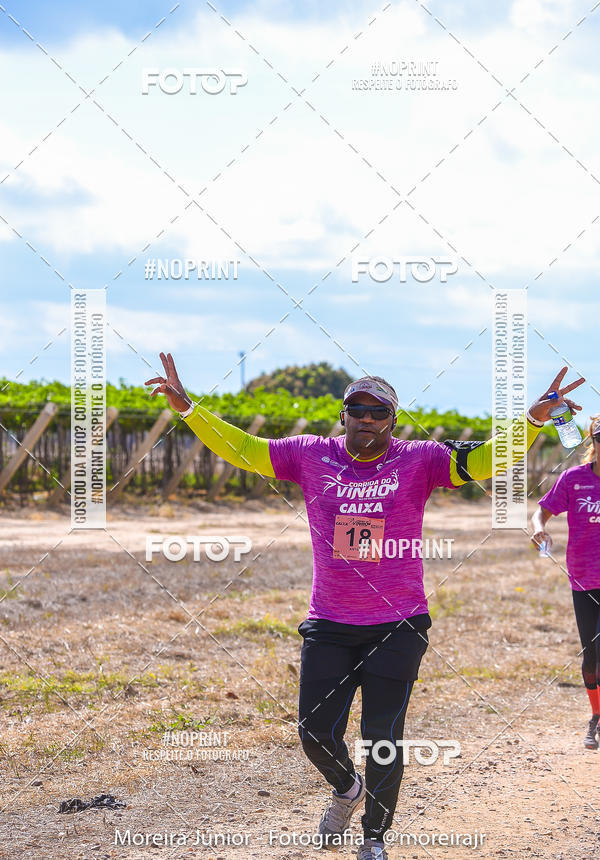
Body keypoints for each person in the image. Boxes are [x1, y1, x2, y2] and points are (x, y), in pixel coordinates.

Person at [146, 355, 583, 860]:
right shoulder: (309, 454)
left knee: (382, 738)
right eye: (358, 408)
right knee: (313, 731)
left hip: (398, 624)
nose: (368, 418)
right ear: (343, 415)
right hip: (330, 622)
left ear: (392, 421)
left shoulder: (419, 459)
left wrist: (530, 422)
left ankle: (374, 838)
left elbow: (484, 460)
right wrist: (189, 410)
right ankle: (347, 789)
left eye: (379, 411)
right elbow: (244, 449)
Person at [531, 415, 600, 750]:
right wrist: (537, 528)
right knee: (591, 657)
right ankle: (595, 716)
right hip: (584, 578)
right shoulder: (574, 479)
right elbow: (541, 511)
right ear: (593, 442)